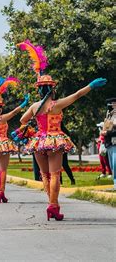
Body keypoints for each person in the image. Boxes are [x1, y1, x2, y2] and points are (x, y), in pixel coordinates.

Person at [18, 40, 106, 220]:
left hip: (39, 141)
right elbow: (77, 95)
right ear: (52, 89)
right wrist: (91, 85)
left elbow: (22, 120)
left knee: (45, 175)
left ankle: (52, 205)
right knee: (55, 174)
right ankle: (53, 205)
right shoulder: (57, 105)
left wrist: (31, 131)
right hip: (55, 140)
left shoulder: (35, 107)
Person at [0, 77, 29, 202]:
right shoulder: (1, 118)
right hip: (2, 144)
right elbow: (14, 112)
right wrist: (24, 104)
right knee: (3, 169)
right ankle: (1, 192)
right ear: (0, 108)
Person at [102, 98, 116, 188]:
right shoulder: (109, 115)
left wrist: (107, 133)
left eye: (113, 103)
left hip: (115, 142)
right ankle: (115, 183)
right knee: (112, 165)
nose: (111, 105)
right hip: (109, 143)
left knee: (115, 164)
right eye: (111, 103)